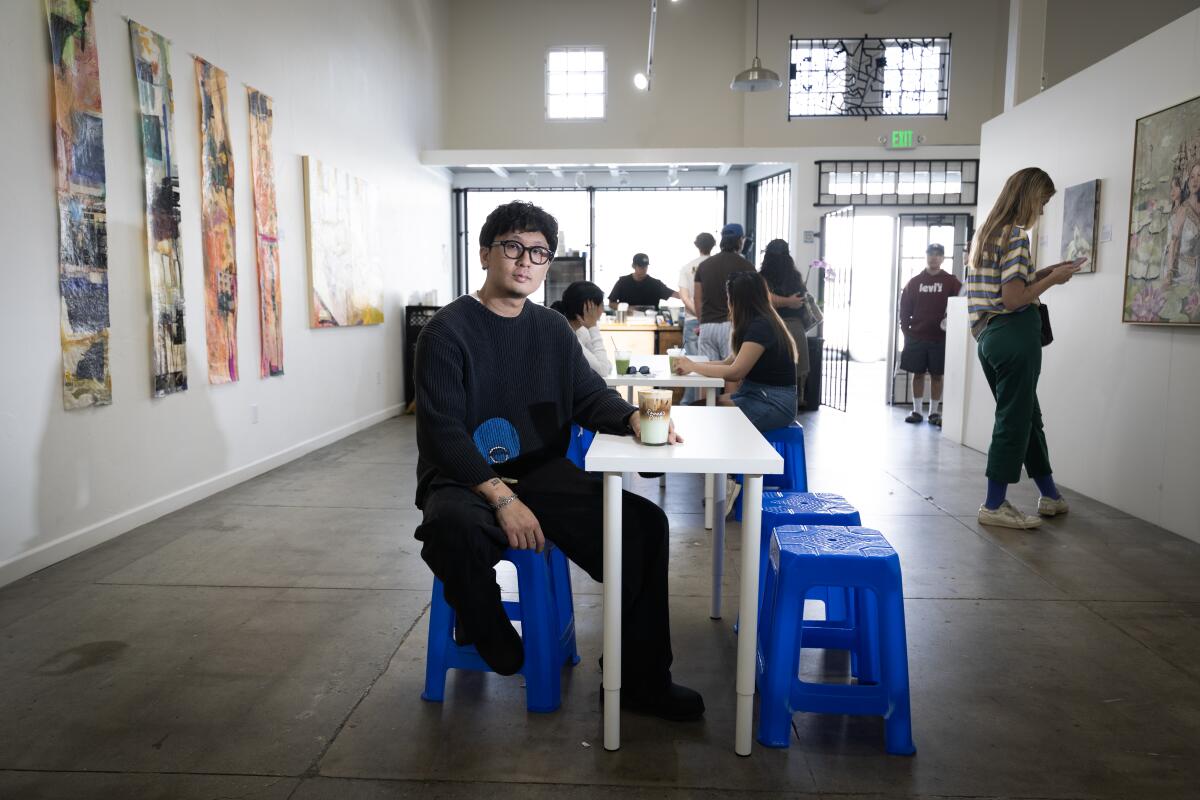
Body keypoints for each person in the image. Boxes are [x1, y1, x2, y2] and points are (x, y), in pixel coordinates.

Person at [413, 201, 703, 721]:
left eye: (539, 252)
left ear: (548, 264)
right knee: (452, 526)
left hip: (542, 470)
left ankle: (639, 680)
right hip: (464, 475)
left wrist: (632, 419)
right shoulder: (445, 333)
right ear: (485, 254)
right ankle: (484, 623)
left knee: (644, 527)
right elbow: (443, 434)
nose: (526, 261)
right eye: (513, 247)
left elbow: (589, 395)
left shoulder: (550, 329)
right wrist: (502, 498)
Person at [967, 168, 1085, 530]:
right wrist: (1053, 280)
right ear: (1030, 197)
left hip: (990, 337)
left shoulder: (986, 235)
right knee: (1015, 421)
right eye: (1044, 201)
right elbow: (1014, 298)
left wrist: (1046, 271)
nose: (1044, 211)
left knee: (1026, 417)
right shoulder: (1017, 236)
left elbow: (1003, 289)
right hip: (1015, 334)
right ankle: (994, 503)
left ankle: (1050, 495)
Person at [898, 243, 962, 427]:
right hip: (916, 336)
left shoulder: (951, 281)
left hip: (940, 338)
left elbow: (961, 300)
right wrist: (906, 331)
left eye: (938, 254)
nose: (934, 257)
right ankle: (917, 411)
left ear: (942, 258)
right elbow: (904, 309)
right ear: (926, 256)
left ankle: (934, 413)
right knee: (917, 374)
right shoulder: (915, 282)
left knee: (937, 375)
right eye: (931, 254)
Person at [693, 223, 754, 375]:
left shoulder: (704, 265)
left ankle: (705, 401)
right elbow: (752, 300)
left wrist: (702, 323)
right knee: (730, 375)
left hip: (707, 325)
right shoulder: (746, 266)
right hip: (732, 326)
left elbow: (697, 299)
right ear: (740, 240)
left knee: (706, 374)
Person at [758, 239, 811, 408]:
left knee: (769, 370)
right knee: (795, 371)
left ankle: (771, 404)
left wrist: (784, 302)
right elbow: (800, 300)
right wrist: (789, 301)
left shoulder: (762, 278)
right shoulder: (795, 277)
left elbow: (763, 300)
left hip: (771, 327)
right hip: (795, 328)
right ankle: (793, 404)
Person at [551, 280, 610, 376]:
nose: (603, 310)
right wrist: (593, 327)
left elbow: (605, 365)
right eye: (601, 305)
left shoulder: (580, 330)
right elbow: (603, 371)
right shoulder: (565, 334)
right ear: (588, 307)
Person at [677, 232, 715, 356]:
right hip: (716, 320)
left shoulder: (687, 268)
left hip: (692, 319)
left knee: (692, 364)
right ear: (714, 245)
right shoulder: (718, 266)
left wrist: (698, 314)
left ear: (696, 245)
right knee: (714, 363)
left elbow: (684, 297)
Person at [608, 253, 678, 309]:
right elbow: (611, 304)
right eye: (640, 266)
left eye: (645, 266)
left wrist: (686, 294)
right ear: (633, 266)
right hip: (627, 322)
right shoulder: (622, 282)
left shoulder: (656, 284)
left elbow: (676, 294)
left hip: (651, 322)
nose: (644, 269)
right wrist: (629, 308)